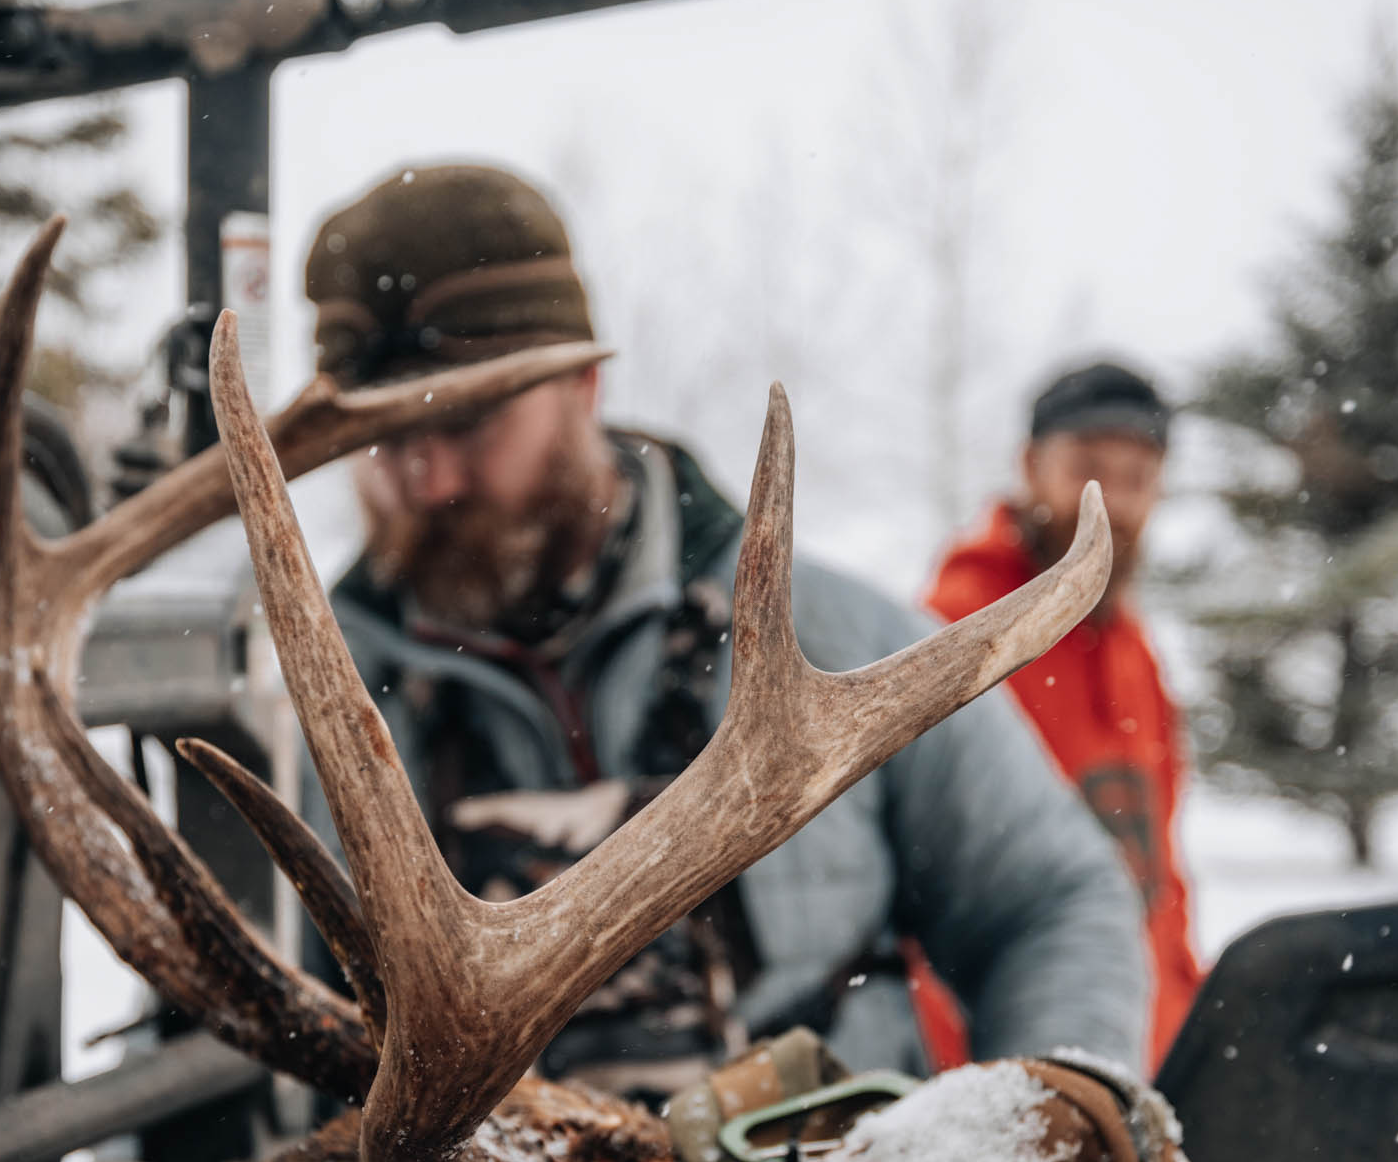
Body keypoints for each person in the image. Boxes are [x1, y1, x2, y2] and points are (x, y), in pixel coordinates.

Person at [298, 164, 1148, 1098]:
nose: (427, 480)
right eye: (380, 440)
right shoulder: (308, 704)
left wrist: (1055, 1118)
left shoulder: (834, 633)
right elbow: (233, 1021)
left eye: (465, 422)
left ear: (583, 383)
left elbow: (1050, 903)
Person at [927, 361, 1202, 1068]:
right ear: (1029, 465)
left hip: (1142, 1051)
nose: (1111, 501)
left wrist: (1186, 1010)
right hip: (1010, 1065)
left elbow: (1157, 868)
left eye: (1137, 478)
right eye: (1087, 470)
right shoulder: (958, 627)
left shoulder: (1135, 649)